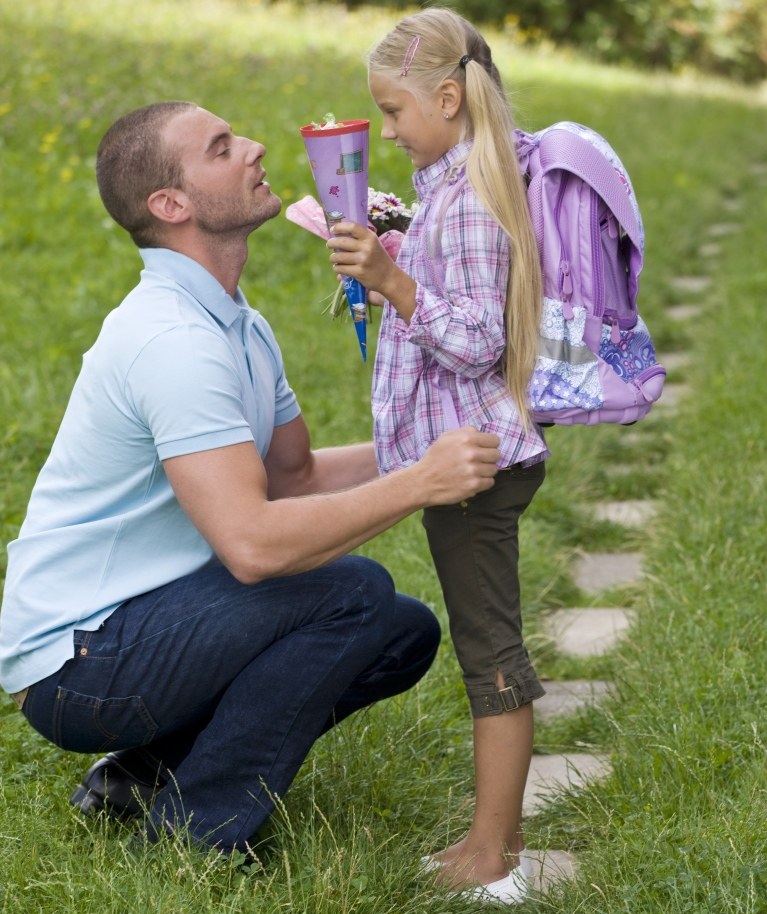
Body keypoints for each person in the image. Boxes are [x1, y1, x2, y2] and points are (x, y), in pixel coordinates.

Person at [0, 100, 502, 858]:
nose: (256, 148)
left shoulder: (236, 323)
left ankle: (143, 773)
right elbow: (254, 547)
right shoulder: (173, 341)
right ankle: (194, 838)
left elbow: (292, 480)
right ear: (171, 205)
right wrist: (419, 483)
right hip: (80, 664)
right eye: (222, 147)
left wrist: (431, 443)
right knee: (351, 592)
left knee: (400, 633)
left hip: (140, 625)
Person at [325, 8, 549, 904]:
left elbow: (475, 343)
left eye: (394, 111)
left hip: (476, 465)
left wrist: (394, 281)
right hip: (463, 455)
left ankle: (493, 858)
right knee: (483, 641)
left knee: (491, 651)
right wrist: (385, 262)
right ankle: (495, 837)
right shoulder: (451, 188)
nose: (387, 130)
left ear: (448, 99)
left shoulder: (473, 201)